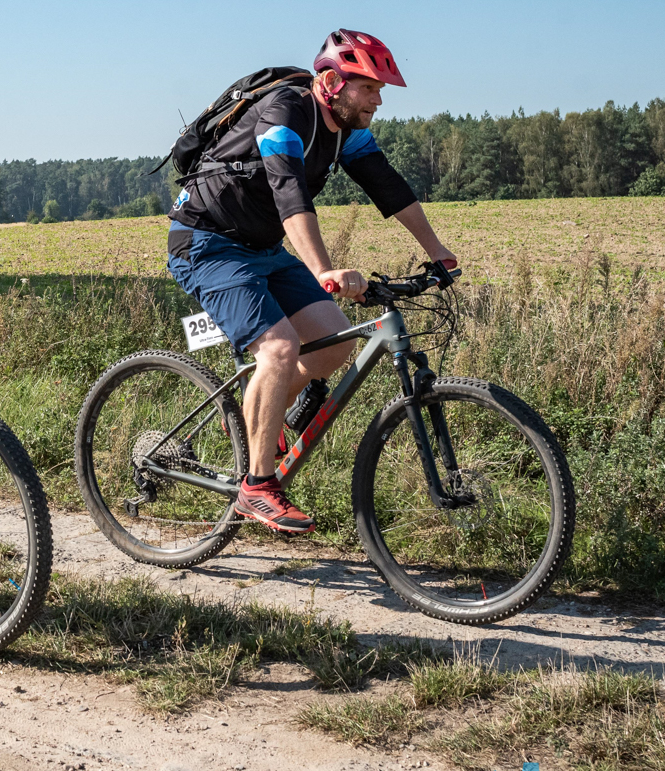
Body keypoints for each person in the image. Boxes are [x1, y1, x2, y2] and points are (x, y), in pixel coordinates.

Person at [167, 29, 457, 534]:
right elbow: (289, 193)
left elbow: (387, 185)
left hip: (262, 249)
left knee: (332, 343)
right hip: (207, 243)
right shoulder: (285, 112)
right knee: (279, 348)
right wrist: (323, 269)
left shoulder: (347, 130)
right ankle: (257, 487)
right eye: (368, 88)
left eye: (379, 89)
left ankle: (260, 415)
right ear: (332, 82)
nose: (378, 100)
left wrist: (438, 251)